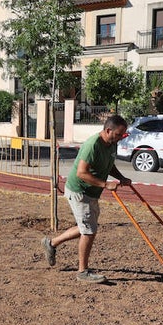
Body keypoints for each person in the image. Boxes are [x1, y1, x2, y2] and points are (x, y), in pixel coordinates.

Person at [41, 114, 132, 283]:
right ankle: (82, 272)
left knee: (87, 226)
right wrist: (105, 184)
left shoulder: (111, 144)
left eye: (123, 135)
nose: (121, 138)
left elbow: (109, 164)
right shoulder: (92, 145)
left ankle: (51, 243)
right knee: (89, 231)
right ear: (108, 130)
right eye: (119, 134)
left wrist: (121, 178)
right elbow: (81, 173)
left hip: (91, 192)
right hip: (79, 191)